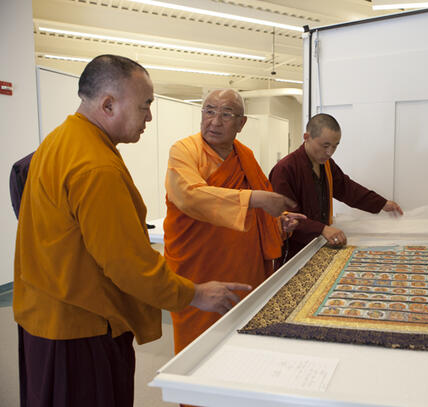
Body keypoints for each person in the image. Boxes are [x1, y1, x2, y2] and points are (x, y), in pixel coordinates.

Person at [13, 55, 251, 407]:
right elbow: (129, 265)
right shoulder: (96, 167)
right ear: (108, 104)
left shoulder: (61, 138)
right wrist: (194, 294)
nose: (150, 117)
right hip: (81, 328)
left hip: (43, 314)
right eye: (145, 106)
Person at [163, 88, 303, 355]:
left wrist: (279, 222)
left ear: (242, 123)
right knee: (199, 352)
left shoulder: (245, 156)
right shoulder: (184, 151)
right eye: (209, 111)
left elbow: (259, 209)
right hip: (200, 272)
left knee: (243, 347)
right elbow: (191, 197)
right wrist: (254, 199)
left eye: (227, 114)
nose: (215, 121)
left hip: (245, 269)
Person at [270, 113, 404, 264]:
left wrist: (382, 203)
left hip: (318, 244)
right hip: (294, 252)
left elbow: (347, 189)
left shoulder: (326, 164)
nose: (330, 152)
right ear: (306, 137)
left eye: (335, 146)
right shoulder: (285, 169)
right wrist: (322, 229)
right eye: (325, 146)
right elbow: (285, 218)